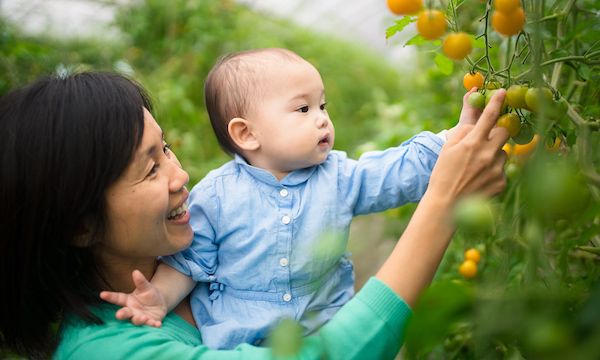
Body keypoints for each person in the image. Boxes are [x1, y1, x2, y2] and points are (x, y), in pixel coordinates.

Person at [0, 70, 508, 360]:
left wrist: (446, 148)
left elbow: (384, 173)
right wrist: (443, 204)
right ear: (79, 225)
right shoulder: (107, 352)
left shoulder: (187, 256)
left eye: (168, 149)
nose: (180, 175)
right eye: (149, 169)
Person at [104, 47, 485, 350]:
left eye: (323, 106)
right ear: (247, 134)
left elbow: (393, 171)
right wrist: (161, 298)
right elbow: (191, 263)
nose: (321, 119)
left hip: (326, 333)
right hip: (239, 337)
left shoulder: (339, 176)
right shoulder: (216, 195)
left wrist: (453, 138)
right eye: (303, 109)